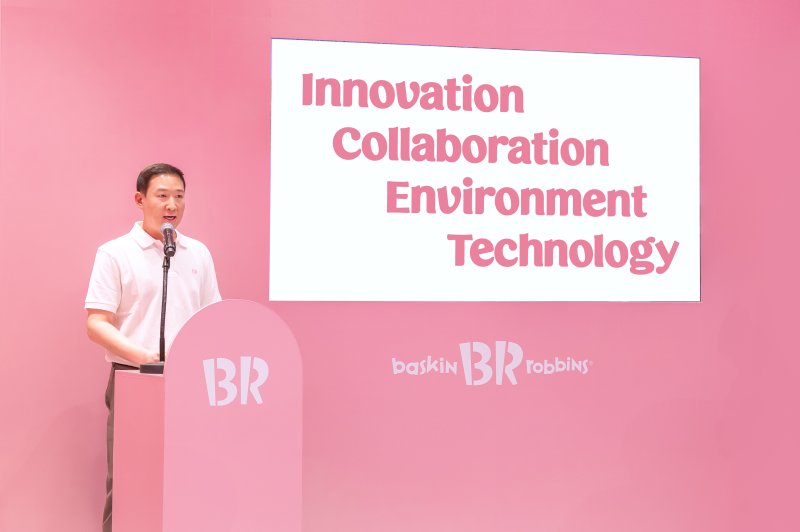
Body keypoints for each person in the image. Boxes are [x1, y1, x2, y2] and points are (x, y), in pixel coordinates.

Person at [85, 163, 221, 532]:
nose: (172, 204)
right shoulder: (115, 253)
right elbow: (96, 323)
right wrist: (145, 357)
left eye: (179, 196)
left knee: (191, 479)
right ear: (139, 199)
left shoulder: (198, 253)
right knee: (129, 483)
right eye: (162, 196)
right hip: (133, 378)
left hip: (191, 382)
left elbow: (212, 319)